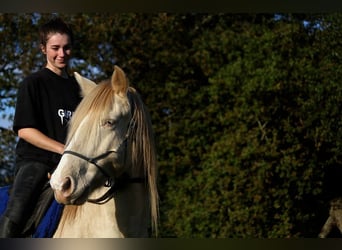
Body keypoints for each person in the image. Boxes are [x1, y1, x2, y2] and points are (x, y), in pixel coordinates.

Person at [0, 17, 82, 237]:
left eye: (67, 48)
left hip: (72, 164)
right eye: (55, 48)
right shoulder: (33, 83)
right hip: (35, 163)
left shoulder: (79, 89)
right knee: (15, 215)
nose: (61, 54)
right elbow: (25, 130)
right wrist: (63, 149)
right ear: (43, 48)